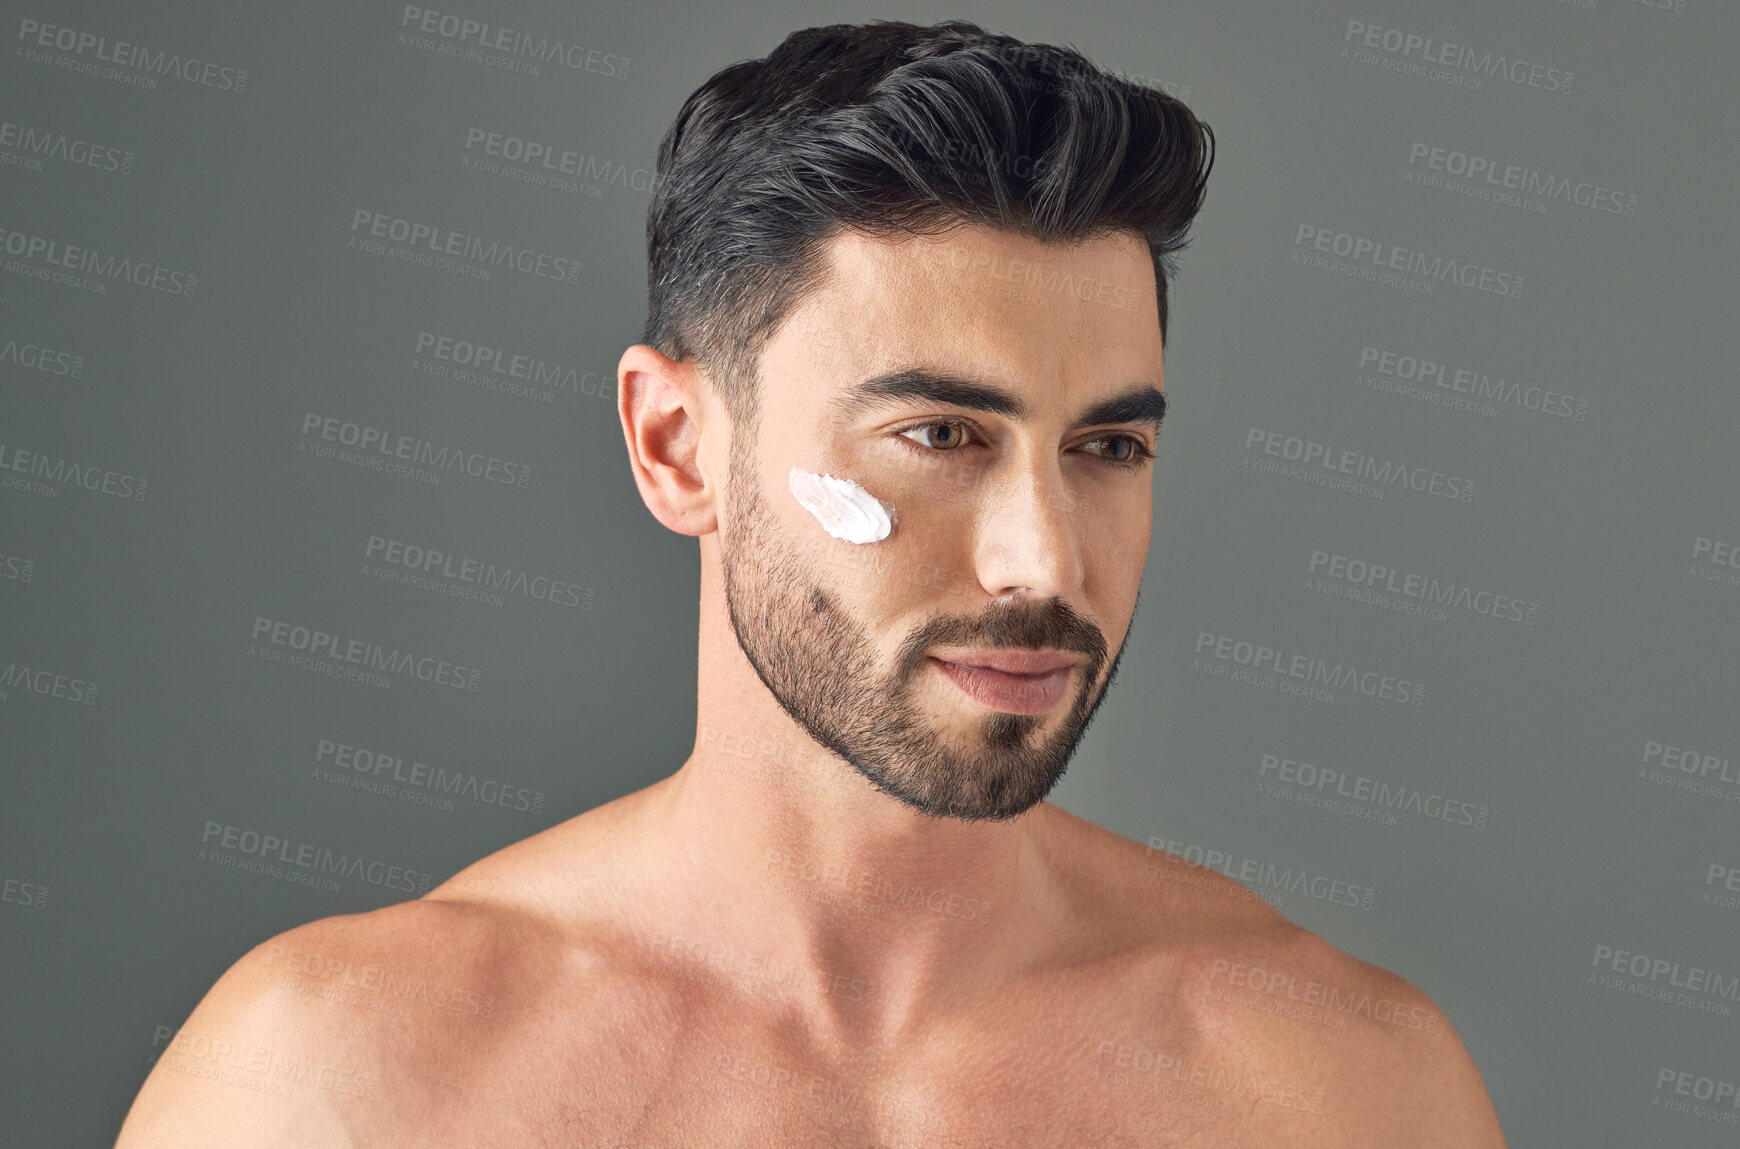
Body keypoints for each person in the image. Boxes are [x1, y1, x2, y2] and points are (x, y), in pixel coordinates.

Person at [117, 19, 1506, 1146]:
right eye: (938, 437)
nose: (1044, 559)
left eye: (1107, 445)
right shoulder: (337, 1086)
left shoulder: (1338, 1089)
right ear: (677, 447)